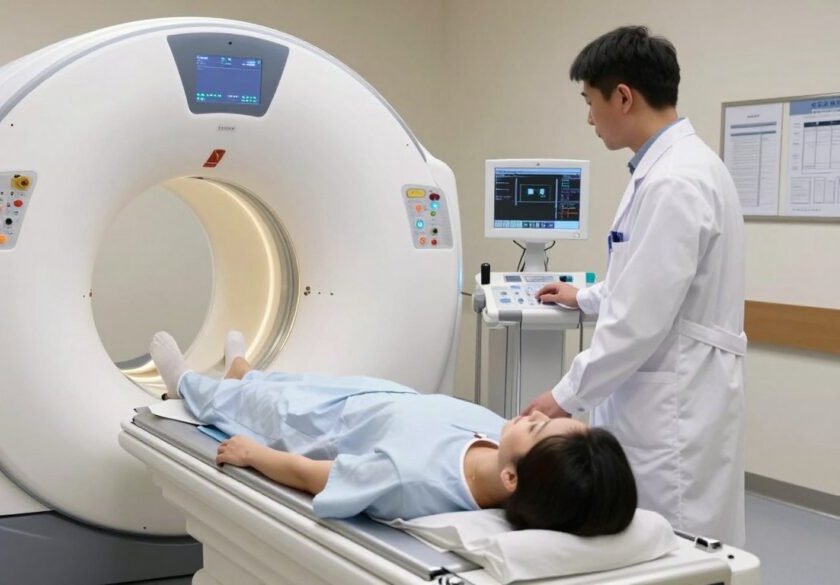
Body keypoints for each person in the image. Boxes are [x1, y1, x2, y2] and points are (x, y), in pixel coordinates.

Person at [522, 26, 747, 544]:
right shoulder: (683, 167)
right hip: (684, 385)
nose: (588, 117)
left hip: (674, 403)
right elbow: (648, 280)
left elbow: (640, 319)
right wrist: (587, 295)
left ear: (622, 96)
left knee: (673, 542)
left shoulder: (674, 180)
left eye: (590, 100)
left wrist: (562, 398)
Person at [150, 330, 638, 536]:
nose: (536, 416)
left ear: (513, 479)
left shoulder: (413, 481)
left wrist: (255, 455)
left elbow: (321, 475)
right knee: (288, 383)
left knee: (268, 408)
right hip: (374, 401)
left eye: (540, 431)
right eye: (550, 420)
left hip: (327, 429)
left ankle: (191, 387)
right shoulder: (502, 441)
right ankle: (243, 369)